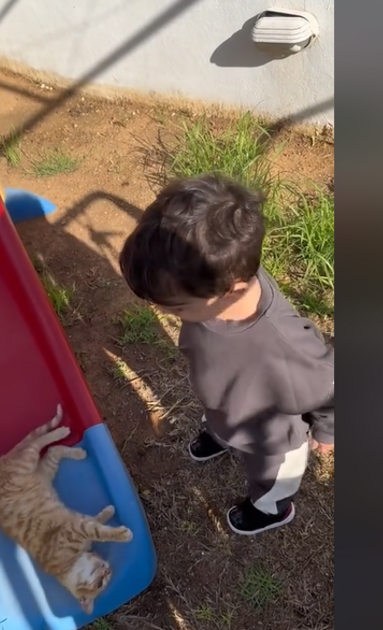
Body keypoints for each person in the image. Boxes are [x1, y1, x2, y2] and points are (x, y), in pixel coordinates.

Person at [118, 174, 334, 535]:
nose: (163, 312)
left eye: (177, 308)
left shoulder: (284, 346)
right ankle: (219, 435)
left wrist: (328, 430)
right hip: (224, 401)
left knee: (272, 476)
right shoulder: (216, 279)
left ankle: (270, 509)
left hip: (271, 438)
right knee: (219, 413)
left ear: (232, 291)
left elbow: (330, 385)